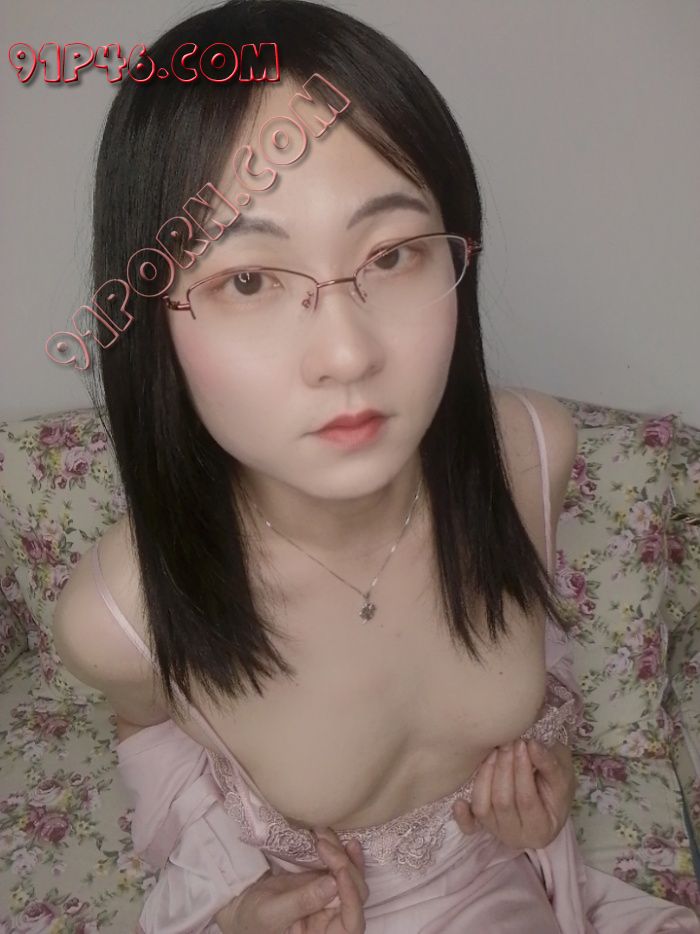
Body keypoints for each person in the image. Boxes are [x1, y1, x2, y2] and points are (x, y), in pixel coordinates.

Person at [52, 1, 700, 931]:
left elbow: (534, 662)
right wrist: (238, 903)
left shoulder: (530, 453)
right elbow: (148, 733)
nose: (348, 354)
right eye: (248, 280)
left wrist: (542, 787)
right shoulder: (121, 616)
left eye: (392, 255)